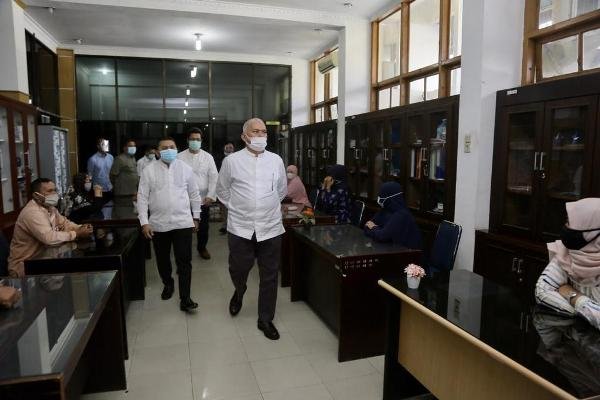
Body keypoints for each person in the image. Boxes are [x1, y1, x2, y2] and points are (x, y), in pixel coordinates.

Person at [216, 118, 287, 340]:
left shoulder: (276, 160)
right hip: (240, 228)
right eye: (255, 132)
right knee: (238, 269)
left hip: (271, 227)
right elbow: (222, 191)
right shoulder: (231, 161)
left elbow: (281, 191)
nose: (260, 136)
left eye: (263, 132)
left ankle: (265, 319)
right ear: (244, 136)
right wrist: (241, 208)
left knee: (270, 276)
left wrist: (264, 207)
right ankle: (239, 291)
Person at [137, 137, 202, 312]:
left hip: (183, 222)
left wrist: (196, 217)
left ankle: (185, 298)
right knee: (162, 259)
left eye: (172, 147)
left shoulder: (185, 169)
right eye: (164, 147)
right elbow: (142, 198)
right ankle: (168, 283)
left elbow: (194, 194)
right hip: (158, 224)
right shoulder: (148, 170)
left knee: (184, 261)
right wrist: (144, 222)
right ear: (157, 151)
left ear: (176, 148)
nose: (168, 150)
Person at [535, 198, 600, 331]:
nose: (565, 226)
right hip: (574, 335)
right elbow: (542, 289)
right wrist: (586, 313)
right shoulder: (567, 252)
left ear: (591, 232)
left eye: (570, 222)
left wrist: (574, 297)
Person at [7, 178, 93, 278]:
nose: (54, 194)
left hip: (44, 260)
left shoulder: (50, 208)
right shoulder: (32, 212)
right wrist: (76, 233)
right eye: (49, 191)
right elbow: (49, 238)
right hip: (24, 266)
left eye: (55, 190)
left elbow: (65, 223)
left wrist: (81, 227)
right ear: (36, 195)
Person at [177, 128, 219, 259]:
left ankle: (202, 248)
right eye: (192, 139)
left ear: (201, 141)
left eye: (197, 139)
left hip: (203, 199)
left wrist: (210, 196)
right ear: (187, 140)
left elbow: (214, 178)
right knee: (184, 227)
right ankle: (184, 251)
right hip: (184, 199)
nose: (195, 141)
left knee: (203, 227)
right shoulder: (179, 157)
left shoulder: (208, 157)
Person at [364, 182, 423, 249]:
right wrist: (377, 231)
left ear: (391, 198)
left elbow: (382, 236)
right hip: (388, 249)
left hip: (406, 253)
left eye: (382, 196)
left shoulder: (401, 215)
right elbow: (367, 226)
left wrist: (374, 228)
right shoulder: (384, 210)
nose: (379, 198)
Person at [110, 138, 139, 207]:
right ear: (124, 148)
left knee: (131, 211)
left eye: (134, 146)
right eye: (131, 146)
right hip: (123, 194)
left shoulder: (133, 158)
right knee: (123, 211)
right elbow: (112, 175)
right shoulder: (119, 159)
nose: (133, 148)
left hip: (133, 192)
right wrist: (118, 186)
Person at [217, 142, 235, 235]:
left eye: (231, 147)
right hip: (224, 188)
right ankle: (225, 226)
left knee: (232, 210)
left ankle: (231, 227)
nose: (229, 149)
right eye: (227, 147)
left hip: (234, 188)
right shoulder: (220, 159)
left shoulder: (236, 159)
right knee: (224, 209)